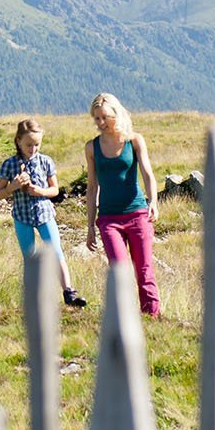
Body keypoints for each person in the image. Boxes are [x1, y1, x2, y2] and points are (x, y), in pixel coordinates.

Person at [82, 93, 161, 317]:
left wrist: (153, 201)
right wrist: (90, 227)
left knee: (144, 269)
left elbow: (147, 174)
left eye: (104, 117)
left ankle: (152, 317)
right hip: (108, 219)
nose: (100, 123)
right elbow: (91, 187)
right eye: (96, 119)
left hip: (137, 214)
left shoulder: (134, 140)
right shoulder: (92, 147)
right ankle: (125, 319)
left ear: (116, 113)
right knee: (119, 270)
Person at [0, 118, 86, 308]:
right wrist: (13, 186)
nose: (33, 149)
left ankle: (69, 292)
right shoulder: (10, 164)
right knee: (30, 256)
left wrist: (40, 192)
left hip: (44, 214)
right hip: (22, 217)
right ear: (18, 141)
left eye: (37, 144)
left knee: (56, 251)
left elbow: (55, 190)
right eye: (29, 144)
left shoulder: (46, 162)